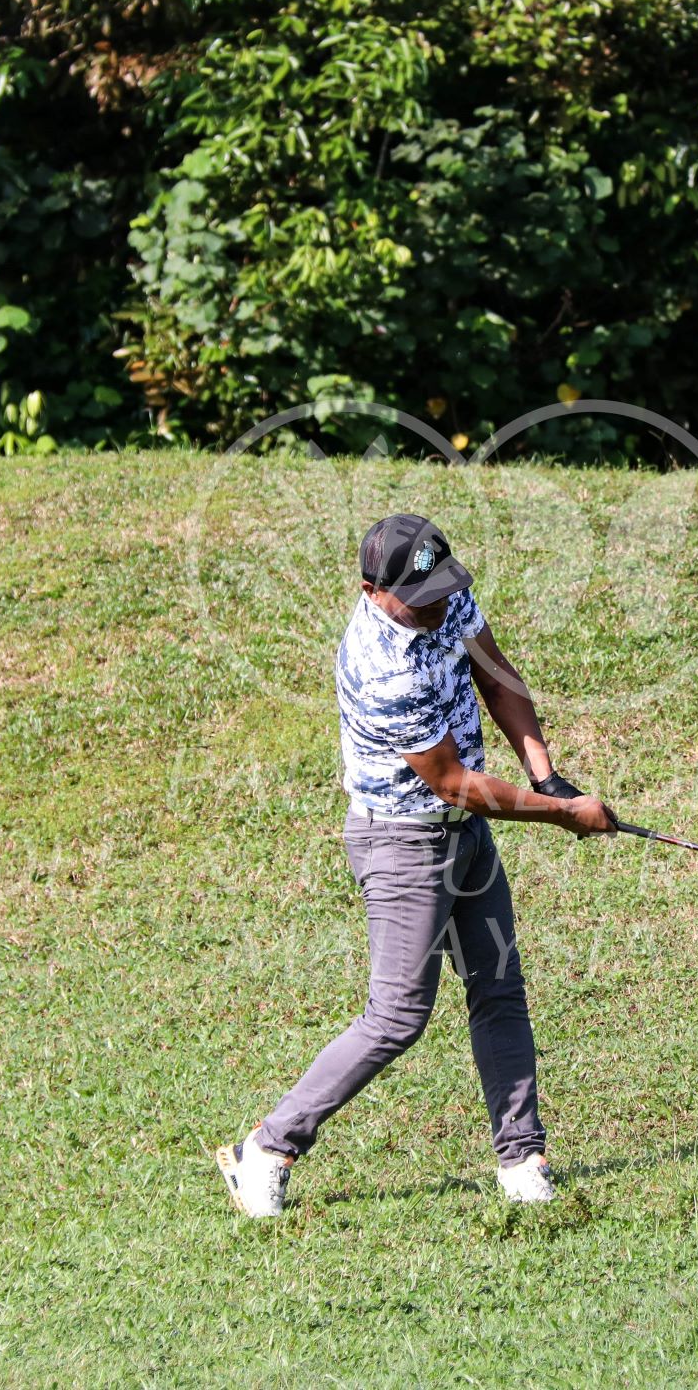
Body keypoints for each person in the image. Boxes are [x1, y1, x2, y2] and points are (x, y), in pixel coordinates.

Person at [215, 513, 618, 1217]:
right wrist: (560, 816)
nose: (438, 604)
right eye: (421, 594)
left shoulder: (445, 595)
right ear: (374, 590)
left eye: (443, 586)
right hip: (402, 843)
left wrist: (548, 776)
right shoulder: (379, 664)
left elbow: (497, 678)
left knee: (498, 987)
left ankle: (522, 1160)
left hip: (465, 836)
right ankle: (268, 1147)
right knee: (398, 1015)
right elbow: (454, 782)